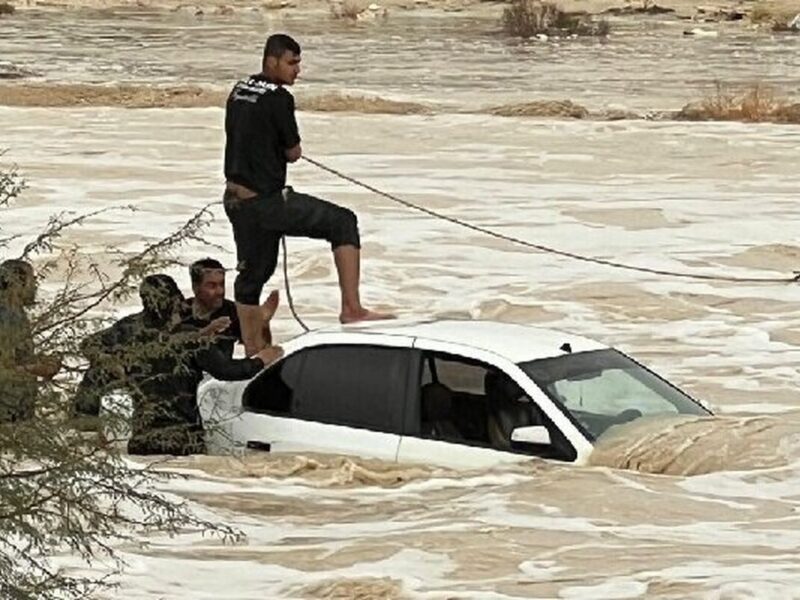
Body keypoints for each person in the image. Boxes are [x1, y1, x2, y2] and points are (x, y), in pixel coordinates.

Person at [223, 32, 393, 356]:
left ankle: (253, 350)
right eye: (292, 63)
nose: (297, 70)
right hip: (266, 202)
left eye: (298, 63)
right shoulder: (280, 98)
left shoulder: (239, 89)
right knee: (343, 222)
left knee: (252, 276)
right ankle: (352, 309)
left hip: (235, 199)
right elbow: (293, 152)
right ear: (272, 61)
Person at [183, 257, 281, 362]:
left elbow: (260, 352)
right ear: (195, 287)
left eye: (222, 284)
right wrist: (207, 331)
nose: (220, 291)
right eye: (212, 286)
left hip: (224, 370)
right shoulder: (180, 311)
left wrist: (262, 325)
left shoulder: (232, 312)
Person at [0, 259, 60, 422]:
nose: (34, 286)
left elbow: (15, 358)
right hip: (6, 412)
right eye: (32, 280)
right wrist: (35, 368)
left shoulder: (17, 312)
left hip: (18, 408)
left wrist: (40, 362)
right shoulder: (4, 314)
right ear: (18, 282)